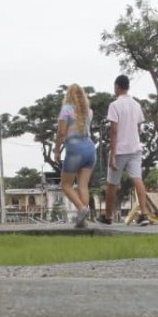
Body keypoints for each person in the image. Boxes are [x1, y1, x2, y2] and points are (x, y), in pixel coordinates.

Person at [97, 75, 150, 226]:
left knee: (112, 183)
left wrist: (113, 155)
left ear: (117, 87)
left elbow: (114, 131)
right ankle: (144, 214)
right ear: (128, 87)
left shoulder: (114, 105)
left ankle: (108, 216)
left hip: (120, 149)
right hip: (135, 148)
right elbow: (138, 127)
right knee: (137, 179)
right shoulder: (136, 105)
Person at [53, 84, 96, 227]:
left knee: (66, 185)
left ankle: (82, 209)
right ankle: (82, 220)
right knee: (83, 186)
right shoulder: (89, 111)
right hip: (90, 149)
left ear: (68, 95)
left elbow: (61, 132)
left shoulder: (66, 110)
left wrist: (57, 150)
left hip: (75, 151)